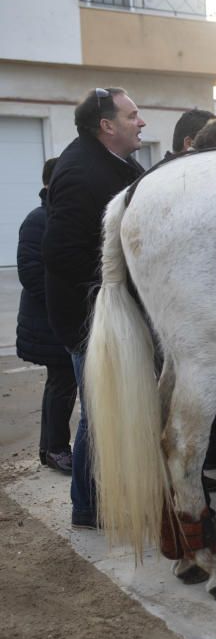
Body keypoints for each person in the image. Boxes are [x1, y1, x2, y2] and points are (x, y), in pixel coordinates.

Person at [42, 87, 146, 529]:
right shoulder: (81, 172)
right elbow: (60, 253)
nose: (141, 122)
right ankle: (87, 506)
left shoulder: (119, 164)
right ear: (107, 126)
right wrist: (117, 284)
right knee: (100, 415)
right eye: (132, 115)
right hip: (91, 319)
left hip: (111, 311)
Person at [16, 157, 77, 475]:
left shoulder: (60, 218)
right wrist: (64, 302)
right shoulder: (38, 219)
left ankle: (51, 448)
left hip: (61, 320)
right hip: (49, 322)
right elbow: (30, 271)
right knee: (62, 383)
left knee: (63, 383)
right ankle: (54, 449)